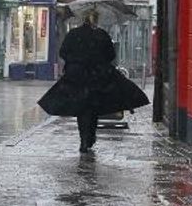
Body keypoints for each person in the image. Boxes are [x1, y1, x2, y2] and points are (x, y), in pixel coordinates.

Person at [38, 8, 149, 153]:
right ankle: (89, 137)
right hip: (98, 76)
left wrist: (75, 62)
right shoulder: (101, 35)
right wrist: (98, 62)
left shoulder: (74, 34)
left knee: (81, 108)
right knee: (93, 107)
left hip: (77, 76)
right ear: (95, 19)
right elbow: (111, 55)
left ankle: (85, 138)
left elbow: (63, 52)